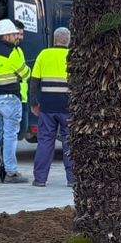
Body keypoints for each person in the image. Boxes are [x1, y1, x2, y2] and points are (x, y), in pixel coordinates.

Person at [0, 18, 29, 183]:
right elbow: (25, 74)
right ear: (7, 35)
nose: (16, 37)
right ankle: (11, 172)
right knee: (10, 136)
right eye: (14, 34)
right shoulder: (13, 53)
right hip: (10, 99)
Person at [30, 27, 73, 188]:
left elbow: (34, 82)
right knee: (70, 142)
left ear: (54, 40)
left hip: (47, 107)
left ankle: (40, 179)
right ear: (68, 40)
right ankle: (72, 179)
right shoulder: (72, 56)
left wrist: (34, 103)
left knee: (45, 141)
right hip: (68, 107)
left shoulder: (43, 54)